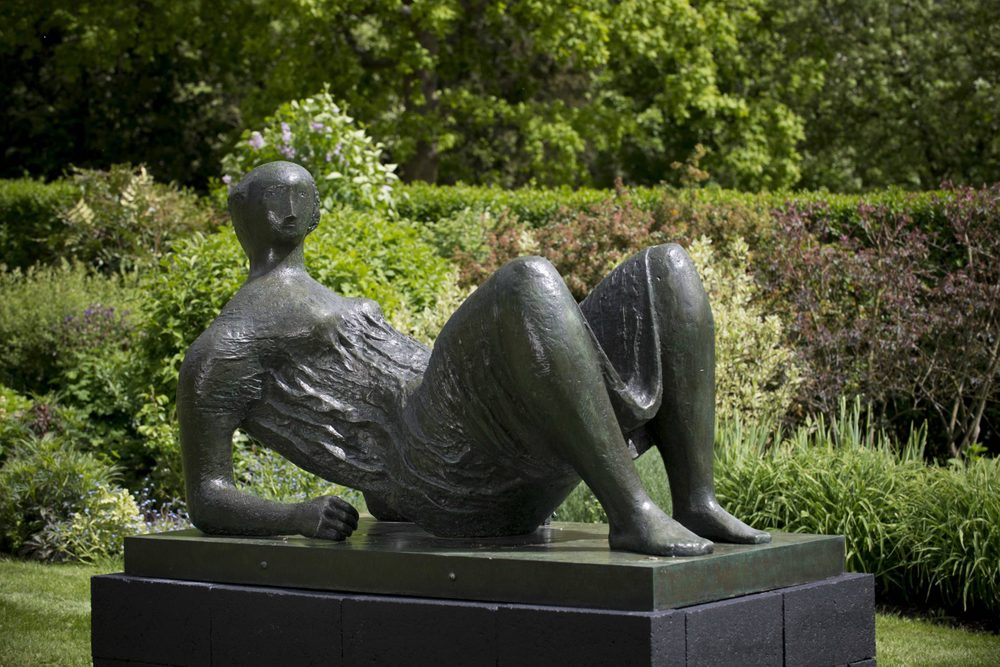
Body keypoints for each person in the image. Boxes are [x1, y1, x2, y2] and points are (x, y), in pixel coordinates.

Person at [178, 161, 770, 557]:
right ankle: (633, 512)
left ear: (313, 213)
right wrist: (296, 515)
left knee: (665, 269)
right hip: (444, 470)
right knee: (525, 282)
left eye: (299, 193)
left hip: (483, 440)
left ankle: (697, 502)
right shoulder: (225, 346)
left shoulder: (323, 299)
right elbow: (207, 494)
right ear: (242, 211)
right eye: (274, 195)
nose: (288, 205)